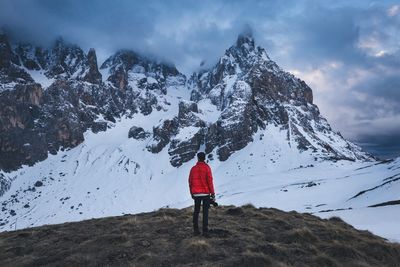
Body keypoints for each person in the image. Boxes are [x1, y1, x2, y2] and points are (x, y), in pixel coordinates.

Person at [188, 152, 215, 237]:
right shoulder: (207, 168)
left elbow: (190, 182)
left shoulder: (193, 169)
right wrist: (213, 193)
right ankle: (205, 231)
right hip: (205, 193)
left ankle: (196, 230)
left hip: (196, 194)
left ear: (198, 158)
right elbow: (210, 181)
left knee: (196, 211)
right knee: (205, 212)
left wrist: (192, 193)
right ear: (204, 158)